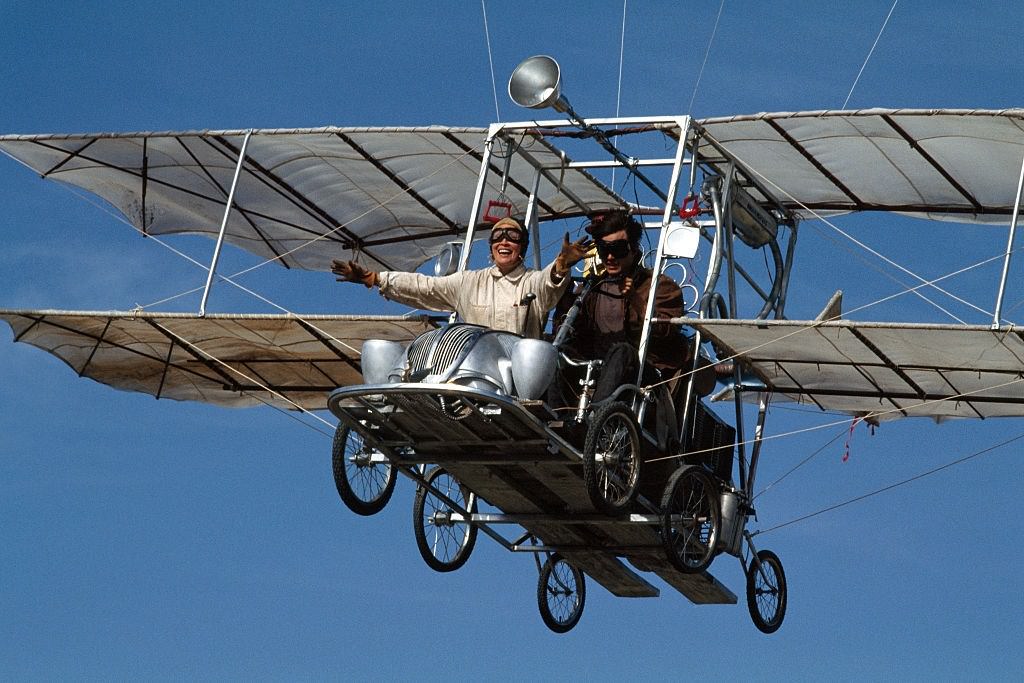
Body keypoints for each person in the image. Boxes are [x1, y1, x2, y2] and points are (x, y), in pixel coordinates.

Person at [331, 216, 590, 339]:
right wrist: (373, 277)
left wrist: (561, 264)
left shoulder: (531, 281)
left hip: (518, 378)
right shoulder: (468, 282)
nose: (504, 241)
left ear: (521, 247)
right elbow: (425, 287)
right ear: (490, 248)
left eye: (512, 237)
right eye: (498, 237)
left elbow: (549, 285)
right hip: (473, 370)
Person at [554, 210, 710, 404]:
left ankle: (597, 414)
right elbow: (567, 329)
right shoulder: (593, 287)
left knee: (623, 352)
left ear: (634, 250)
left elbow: (666, 329)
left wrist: (635, 299)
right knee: (554, 350)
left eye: (618, 249)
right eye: (604, 249)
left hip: (644, 381)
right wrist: (562, 270)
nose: (610, 257)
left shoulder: (658, 285)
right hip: (595, 373)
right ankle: (553, 416)